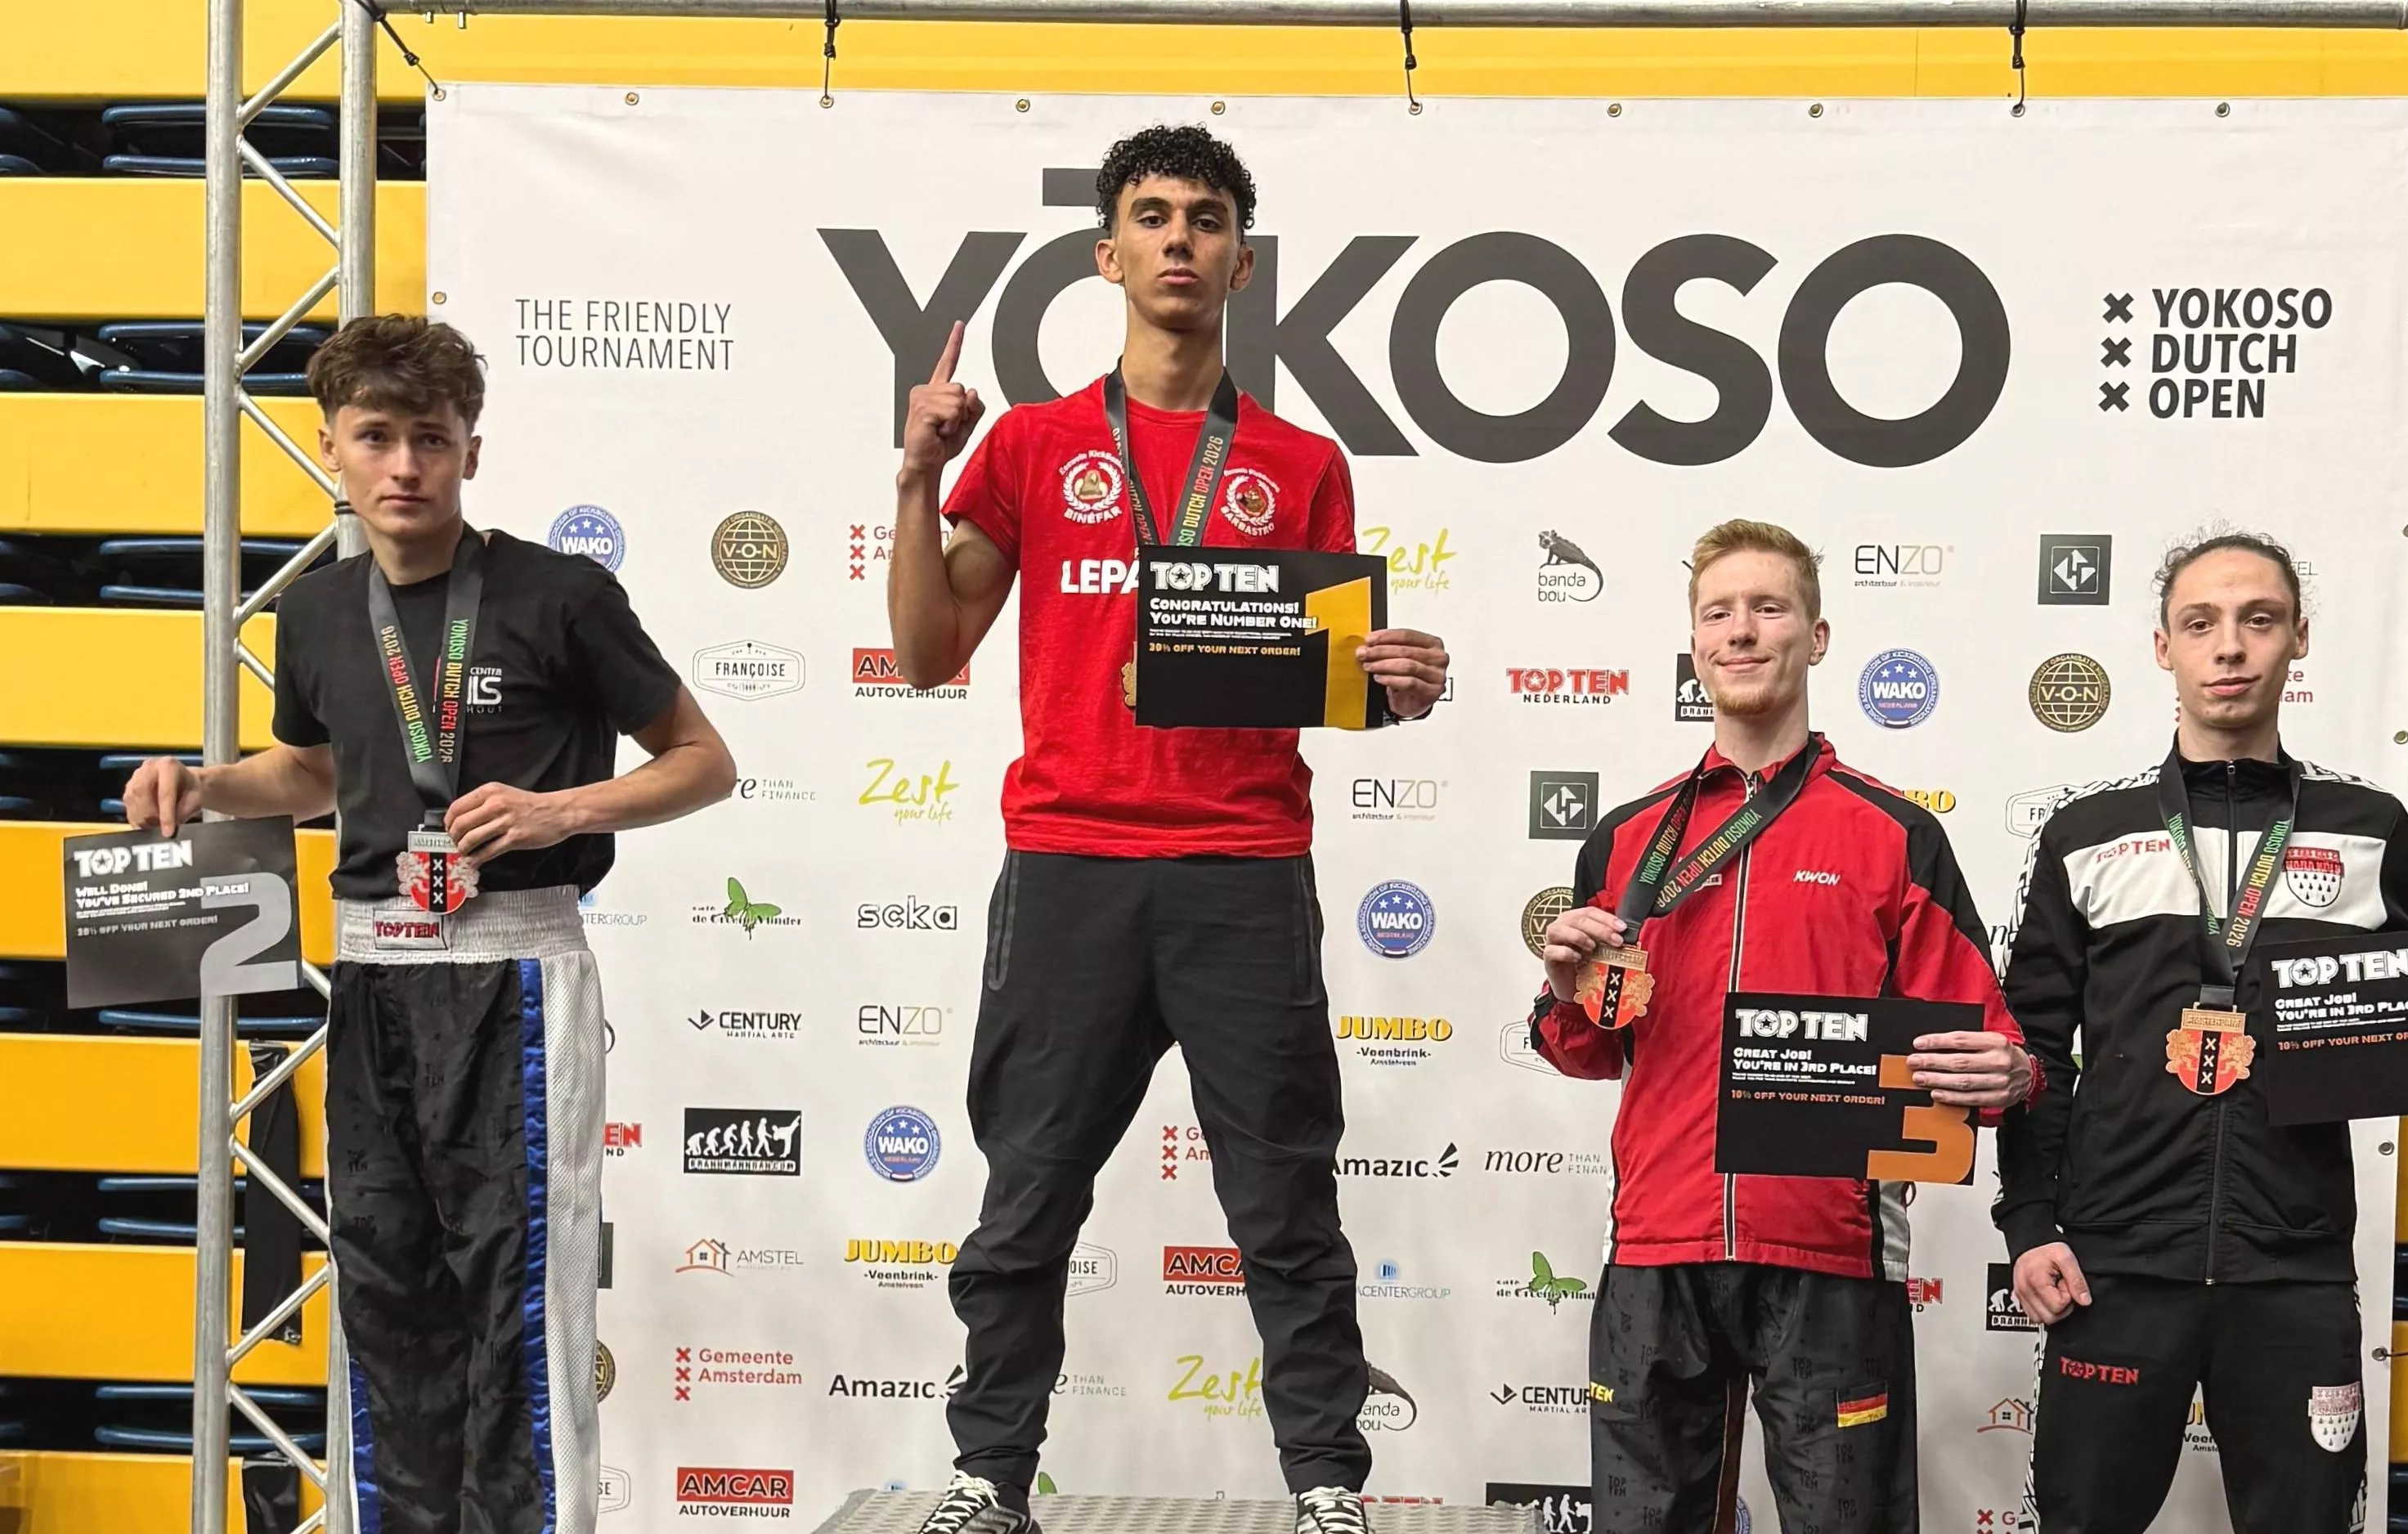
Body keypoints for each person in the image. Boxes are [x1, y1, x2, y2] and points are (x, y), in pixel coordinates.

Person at [887, 125, 1451, 1534]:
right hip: (1071, 865)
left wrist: (1399, 692)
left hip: (1243, 868)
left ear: (1241, 262)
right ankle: (986, 1476)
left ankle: (1326, 1484)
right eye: (1153, 217)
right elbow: (924, 649)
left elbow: (1310, 679)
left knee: (1283, 1203)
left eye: (1206, 218)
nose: (1180, 239)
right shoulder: (1026, 443)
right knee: (1026, 1195)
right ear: (1108, 255)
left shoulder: (1300, 461)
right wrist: (910, 479)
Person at [121, 316, 737, 1534]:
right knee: (387, 1297)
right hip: (371, 978)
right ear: (331, 451)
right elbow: (317, 774)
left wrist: (563, 803)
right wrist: (207, 787)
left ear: (471, 451)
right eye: (377, 438)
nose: (405, 466)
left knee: (515, 1306)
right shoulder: (311, 613)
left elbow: (703, 762)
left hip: (513, 975)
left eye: (431, 440)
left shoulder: (559, 595)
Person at [1994, 532, 2408, 1534]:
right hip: (2115, 1264)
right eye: (2202, 623)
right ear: (2162, 647)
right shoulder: (2087, 835)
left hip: (2295, 1268)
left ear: (2298, 638)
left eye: (2258, 620)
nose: (2230, 647)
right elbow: (2032, 1055)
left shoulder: (2370, 827)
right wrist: (2032, 1224)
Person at [1531, 519, 2037, 1534]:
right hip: (1658, 1246)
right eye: (1719, 612)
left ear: (1817, 635)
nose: (1743, 630)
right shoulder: (1627, 838)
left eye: (1769, 607)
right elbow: (1586, 1048)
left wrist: (2011, 1075)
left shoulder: (1895, 833)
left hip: (1831, 1249)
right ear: (1694, 644)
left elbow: (1989, 1040)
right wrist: (1563, 986)